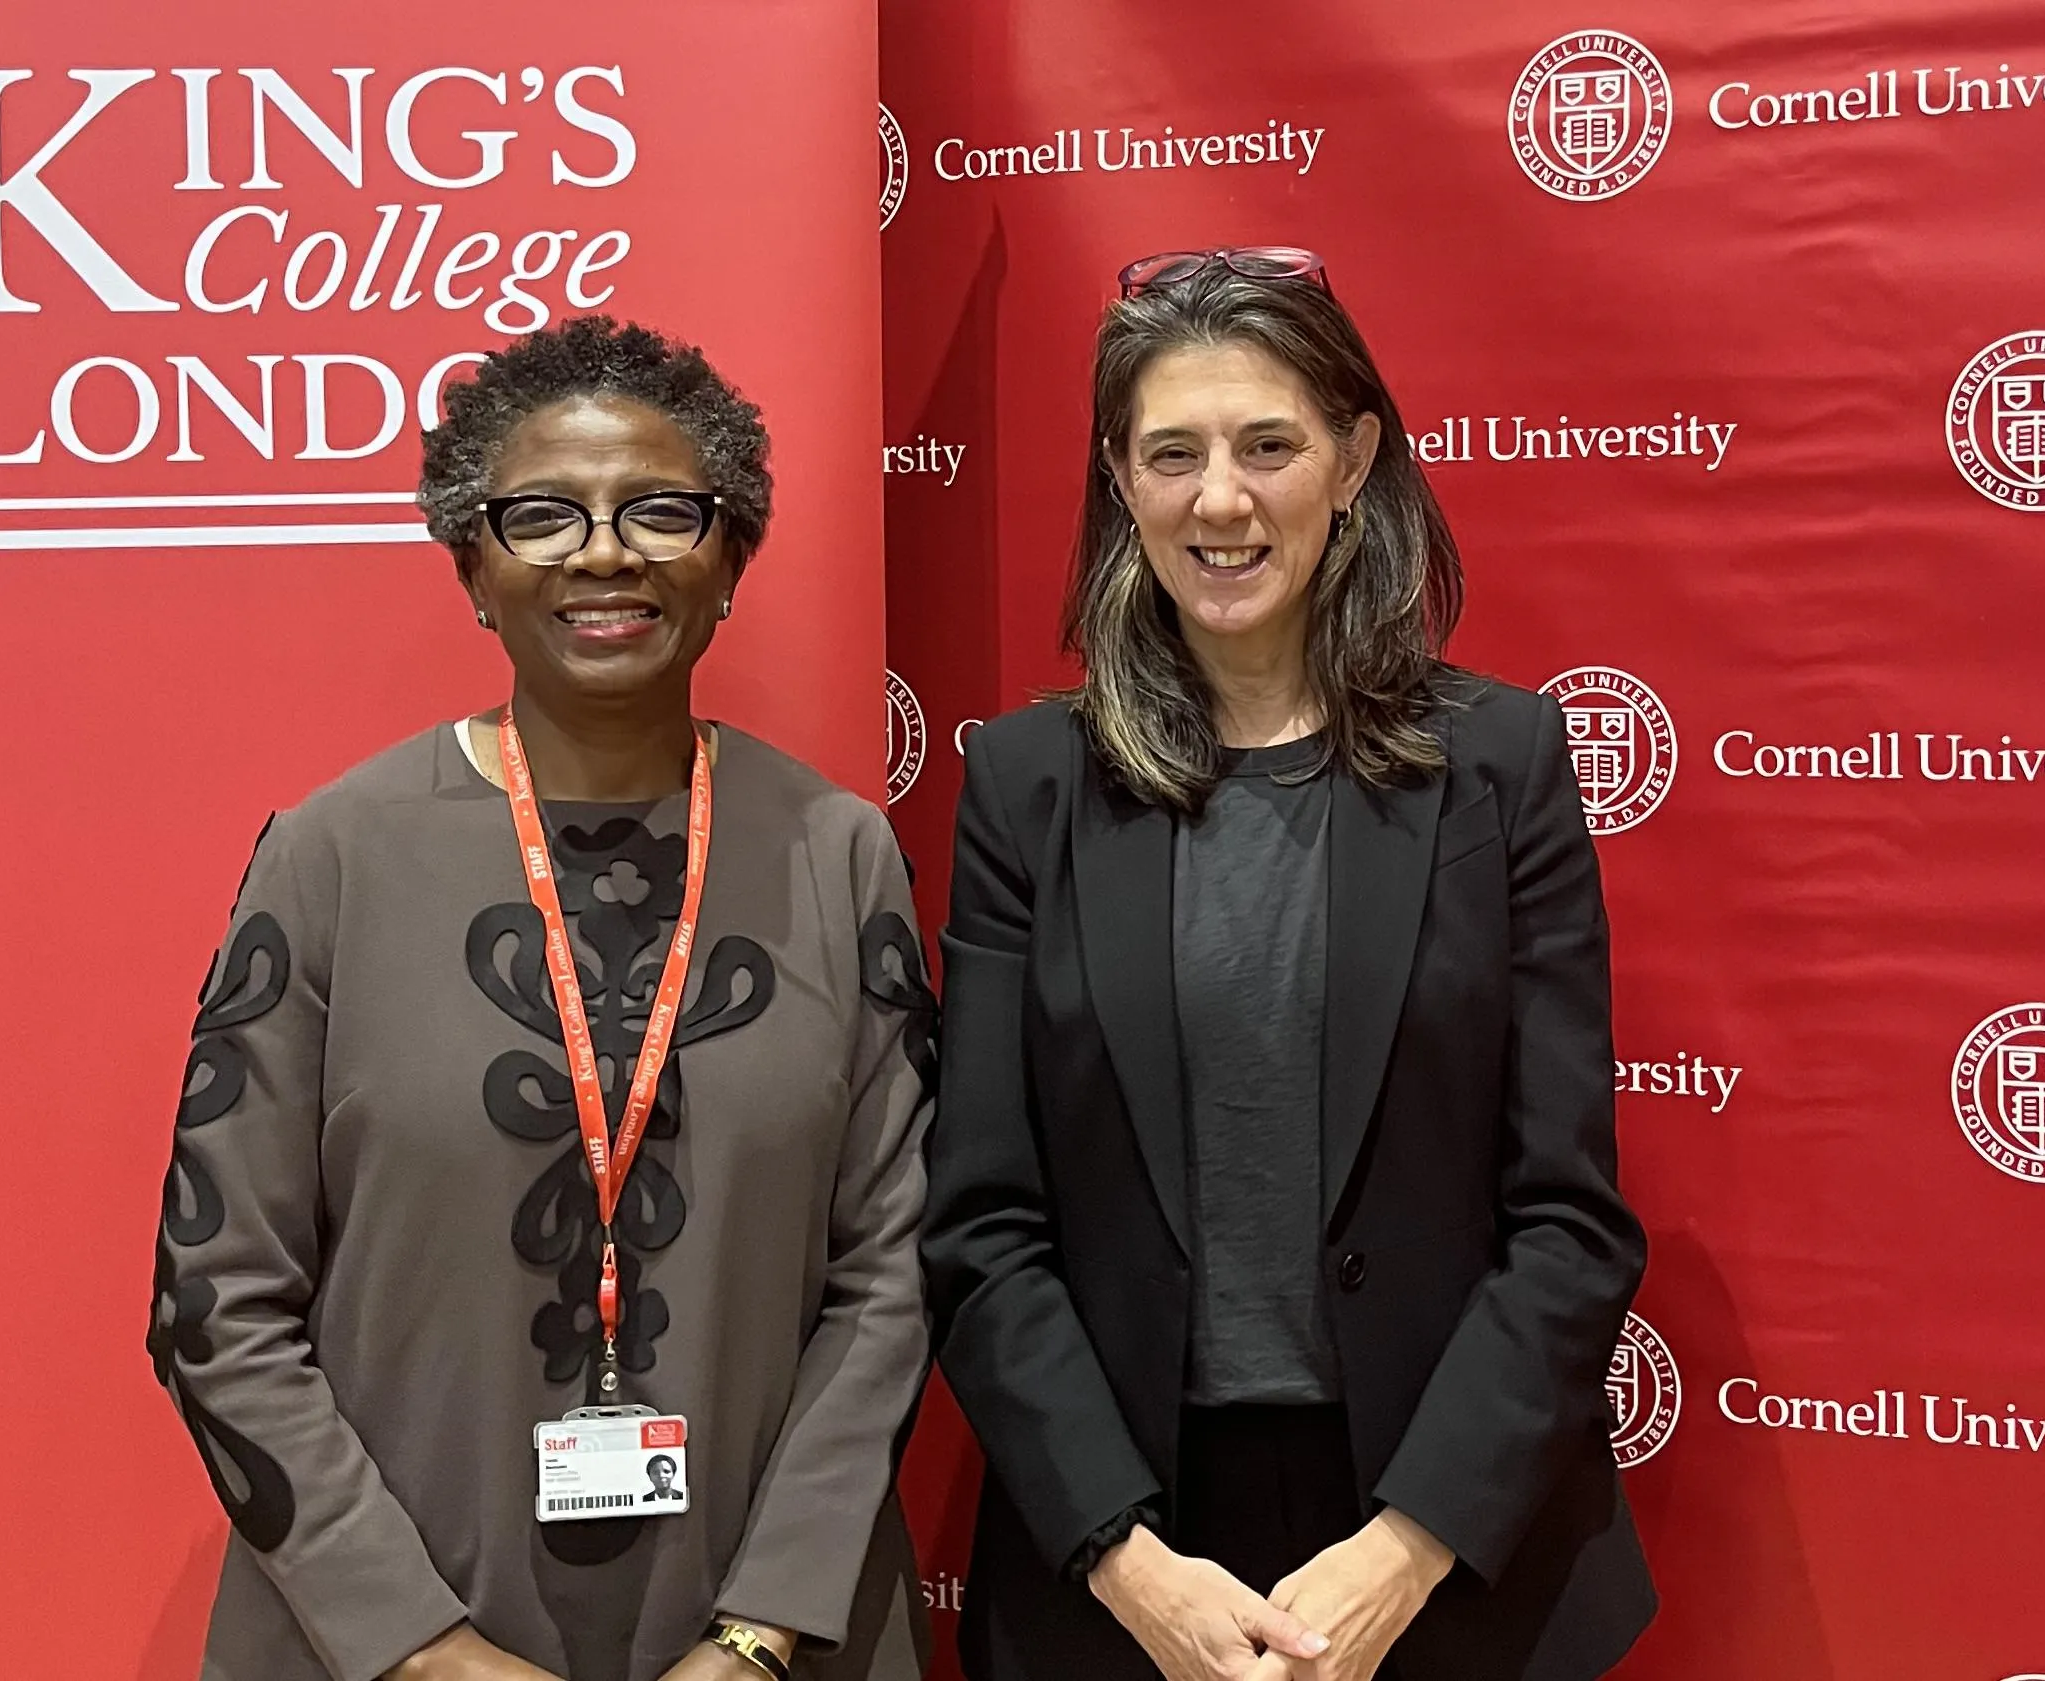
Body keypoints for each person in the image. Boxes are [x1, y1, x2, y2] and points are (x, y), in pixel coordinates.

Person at [147, 316, 933, 1681]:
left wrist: (758, 1638)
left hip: (773, 1634)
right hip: (380, 1642)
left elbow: (898, 1277)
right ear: (472, 565)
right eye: (544, 516)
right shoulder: (329, 857)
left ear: (733, 557)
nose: (607, 550)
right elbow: (216, 1303)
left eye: (663, 510)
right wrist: (424, 1651)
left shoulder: (838, 853)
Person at [924, 248, 1655, 1681]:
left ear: (1353, 459)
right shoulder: (1027, 785)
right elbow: (981, 1229)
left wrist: (1408, 1549)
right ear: (1119, 483)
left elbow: (1568, 1217)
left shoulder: (1500, 766)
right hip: (1126, 1553)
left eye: (1270, 445)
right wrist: (1134, 1573)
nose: (1221, 500)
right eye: (1172, 454)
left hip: (1449, 1545)